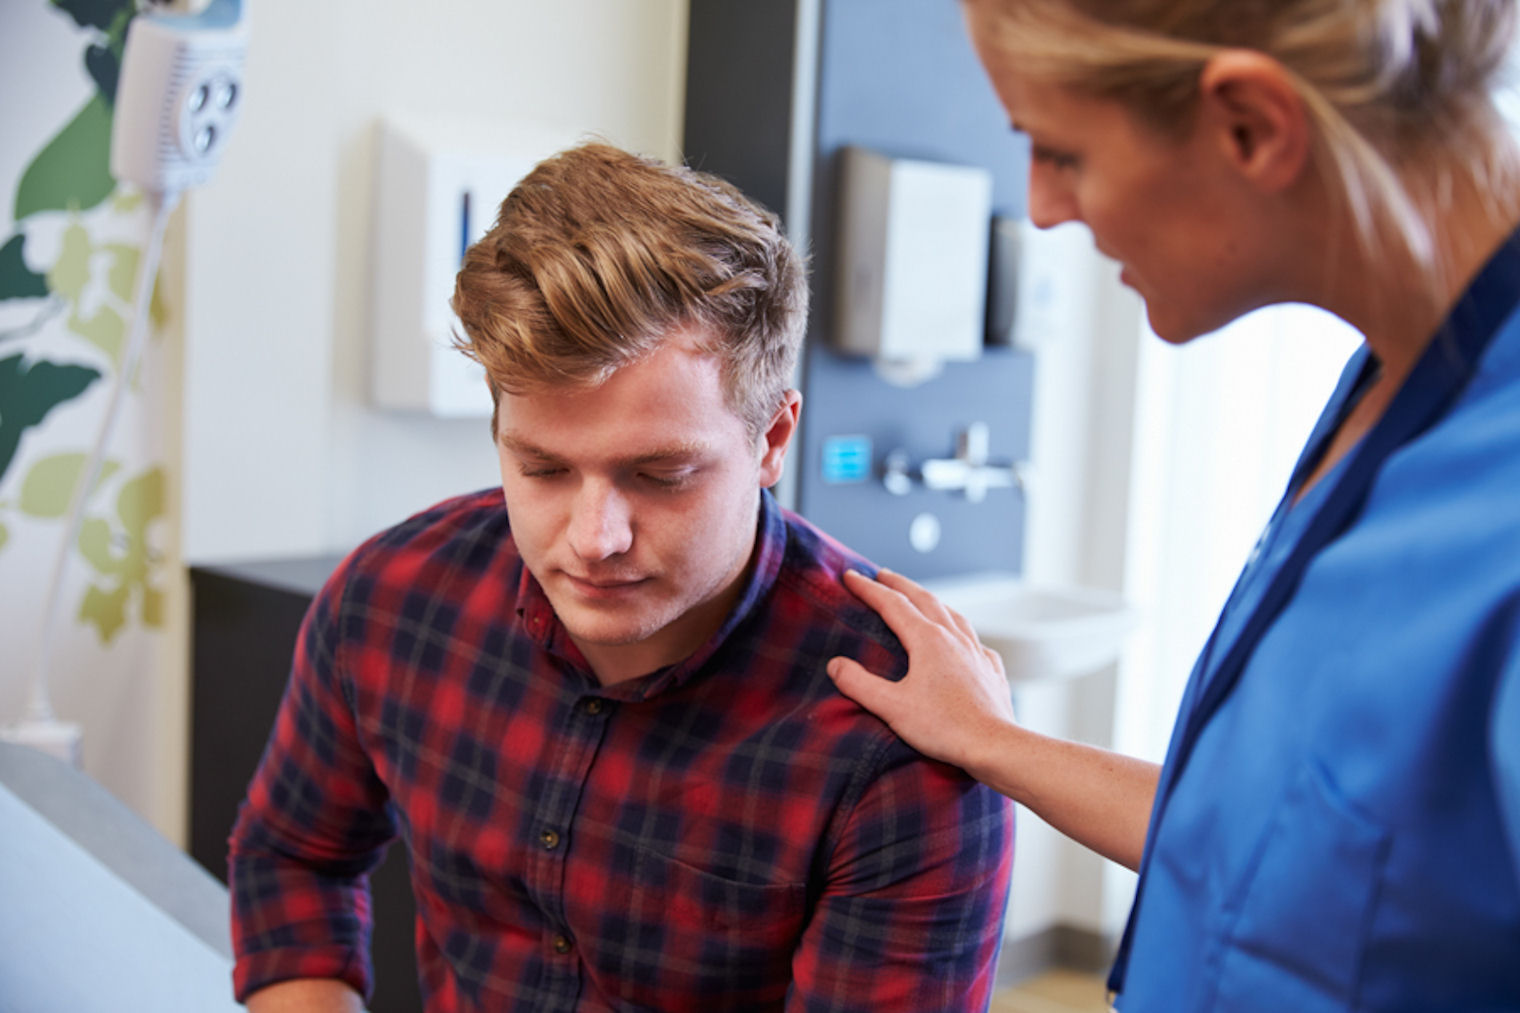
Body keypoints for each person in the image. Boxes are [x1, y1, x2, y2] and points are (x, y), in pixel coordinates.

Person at [827, 1, 1520, 1009]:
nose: (1043, 207)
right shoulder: (1392, 394)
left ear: (1249, 125)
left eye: (1058, 151)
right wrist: (992, 739)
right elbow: (1278, 848)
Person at [228, 142, 1014, 1012]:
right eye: (543, 469)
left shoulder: (899, 737)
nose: (594, 538)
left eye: (661, 475)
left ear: (772, 440)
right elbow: (292, 855)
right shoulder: (393, 598)